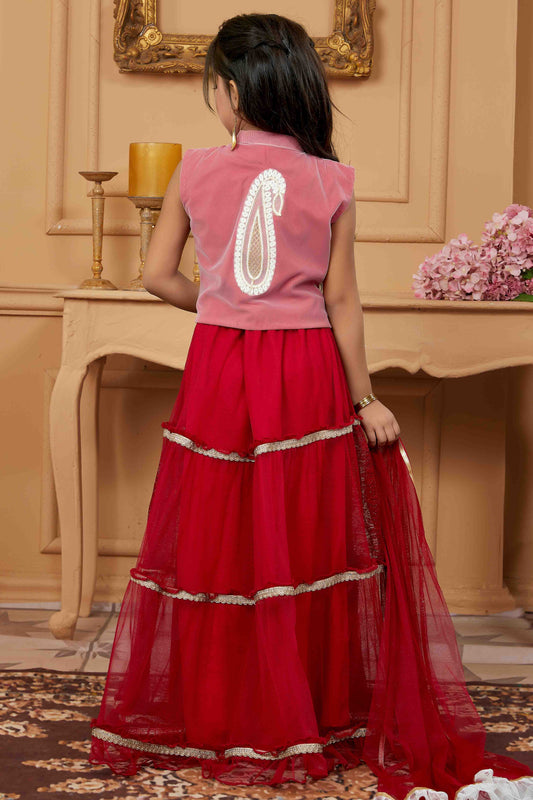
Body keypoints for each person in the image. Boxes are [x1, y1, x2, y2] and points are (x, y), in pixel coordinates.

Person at [89, 12, 533, 799]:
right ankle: (307, 710)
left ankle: (220, 711)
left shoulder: (193, 170)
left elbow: (157, 277)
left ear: (230, 92)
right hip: (305, 371)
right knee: (302, 542)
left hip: (221, 367)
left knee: (220, 541)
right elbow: (342, 301)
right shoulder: (331, 180)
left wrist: (222, 305)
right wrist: (365, 398)